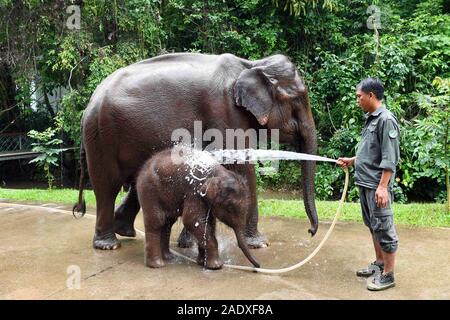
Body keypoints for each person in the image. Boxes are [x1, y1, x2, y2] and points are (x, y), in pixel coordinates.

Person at [337, 78, 400, 291]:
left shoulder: (386, 120)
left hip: (376, 186)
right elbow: (371, 151)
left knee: (384, 228)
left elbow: (390, 158)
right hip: (365, 183)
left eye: (359, 96)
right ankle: (379, 264)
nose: (358, 100)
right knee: (373, 226)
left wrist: (383, 186)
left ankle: (389, 275)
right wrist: (353, 160)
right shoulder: (371, 119)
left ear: (370, 96)